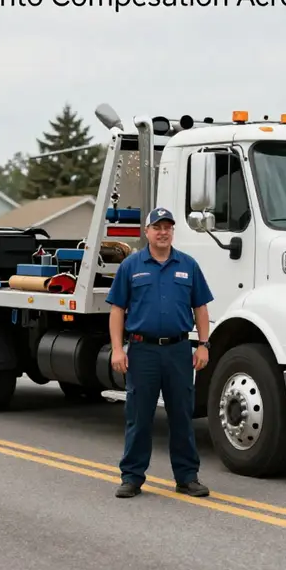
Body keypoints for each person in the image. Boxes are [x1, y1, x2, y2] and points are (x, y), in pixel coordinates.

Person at [106, 206, 213, 499]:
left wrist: (203, 344)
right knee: (139, 416)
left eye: (168, 227)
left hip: (179, 350)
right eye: (157, 227)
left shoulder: (188, 265)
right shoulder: (131, 266)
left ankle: (187, 477)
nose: (163, 232)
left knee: (181, 415)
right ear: (147, 232)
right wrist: (118, 349)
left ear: (172, 232)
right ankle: (131, 477)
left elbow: (200, 307)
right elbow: (117, 310)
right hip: (143, 351)